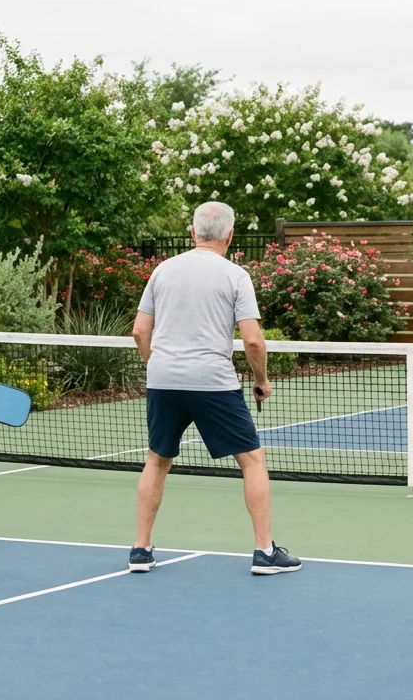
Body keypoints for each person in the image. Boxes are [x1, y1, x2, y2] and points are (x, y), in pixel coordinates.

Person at [128, 201, 300, 575]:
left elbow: (140, 331)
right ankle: (265, 552)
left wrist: (157, 367)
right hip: (212, 383)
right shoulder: (235, 275)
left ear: (192, 233)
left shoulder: (162, 271)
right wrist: (261, 380)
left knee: (157, 460)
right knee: (252, 461)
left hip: (164, 381)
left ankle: (140, 550)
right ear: (230, 235)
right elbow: (253, 341)